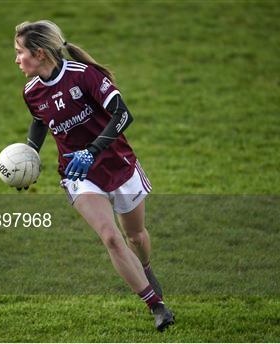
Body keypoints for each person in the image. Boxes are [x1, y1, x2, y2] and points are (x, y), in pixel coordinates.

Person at [14, 20, 174, 332]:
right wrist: (30, 155)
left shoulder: (84, 76)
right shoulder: (31, 91)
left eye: (20, 52)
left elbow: (123, 114)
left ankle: (145, 267)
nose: (17, 59)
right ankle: (156, 305)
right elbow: (39, 120)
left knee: (135, 237)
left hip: (117, 164)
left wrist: (92, 150)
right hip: (78, 173)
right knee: (112, 238)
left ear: (40, 53)